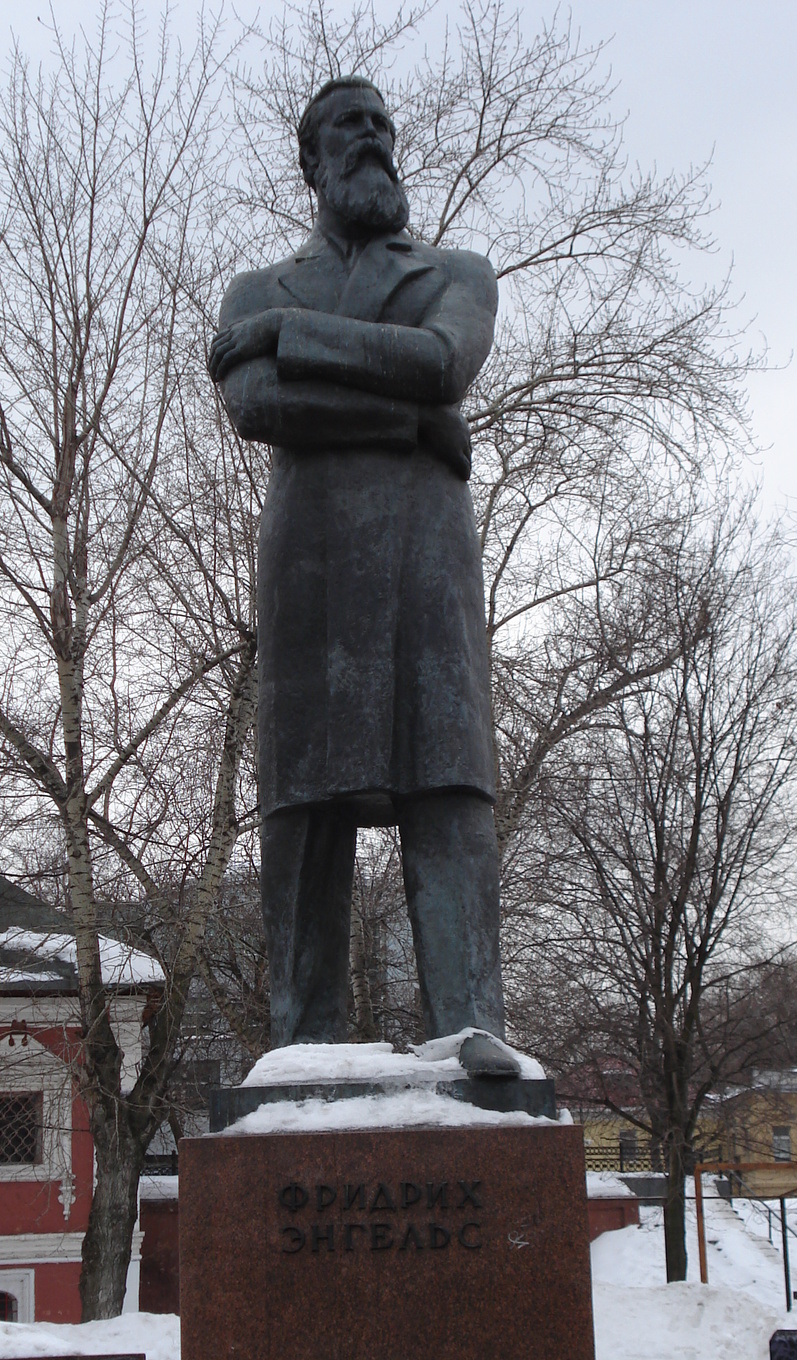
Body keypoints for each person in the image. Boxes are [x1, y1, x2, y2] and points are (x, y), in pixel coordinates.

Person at [210, 75, 516, 1077]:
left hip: (426, 563)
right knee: (303, 801)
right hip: (308, 565)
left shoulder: (455, 271)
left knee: (448, 782)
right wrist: (409, 422)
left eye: (383, 127)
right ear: (311, 159)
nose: (375, 140)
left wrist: (294, 344)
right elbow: (255, 407)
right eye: (351, 128)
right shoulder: (255, 287)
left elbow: (442, 364)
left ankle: (471, 1026)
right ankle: (301, 1041)